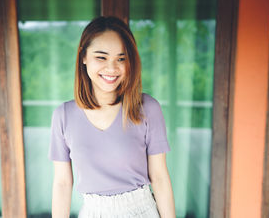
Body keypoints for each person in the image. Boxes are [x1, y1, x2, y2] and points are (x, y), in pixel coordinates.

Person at [49, 16, 176, 217]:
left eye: (121, 58)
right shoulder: (63, 116)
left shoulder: (147, 108)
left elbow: (159, 176)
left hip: (141, 211)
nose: (112, 68)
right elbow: (62, 183)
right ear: (83, 56)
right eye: (101, 57)